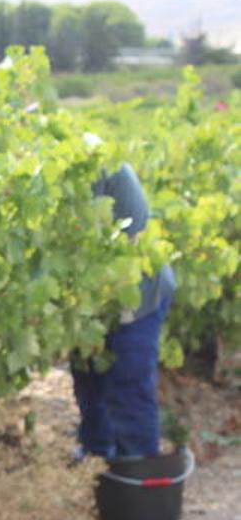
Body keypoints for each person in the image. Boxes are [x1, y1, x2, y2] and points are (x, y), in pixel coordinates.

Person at [71, 161, 176, 461]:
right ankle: (96, 455)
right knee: (87, 376)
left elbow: (133, 243)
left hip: (138, 291)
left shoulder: (106, 167)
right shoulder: (45, 177)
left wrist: (119, 314)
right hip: (91, 300)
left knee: (127, 380)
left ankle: (136, 466)